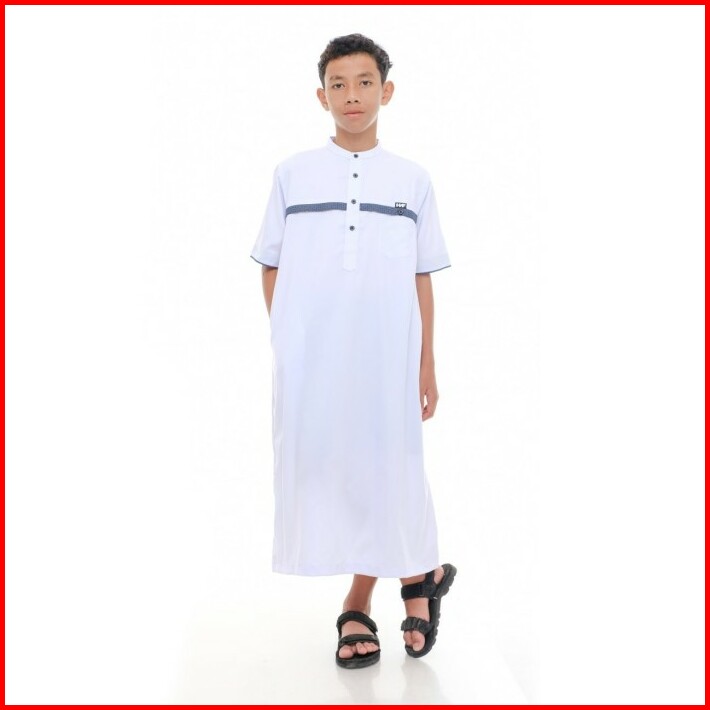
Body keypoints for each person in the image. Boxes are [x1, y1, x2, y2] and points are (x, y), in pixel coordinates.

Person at [250, 33, 457, 669]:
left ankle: (377, 596)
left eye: (364, 82)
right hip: (314, 362)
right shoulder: (293, 174)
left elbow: (420, 276)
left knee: (393, 465)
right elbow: (271, 264)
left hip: (388, 356)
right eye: (337, 85)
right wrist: (291, 337)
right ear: (322, 97)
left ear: (386, 91)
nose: (352, 95)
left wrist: (426, 361)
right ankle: (418, 575)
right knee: (331, 470)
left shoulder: (412, 180)